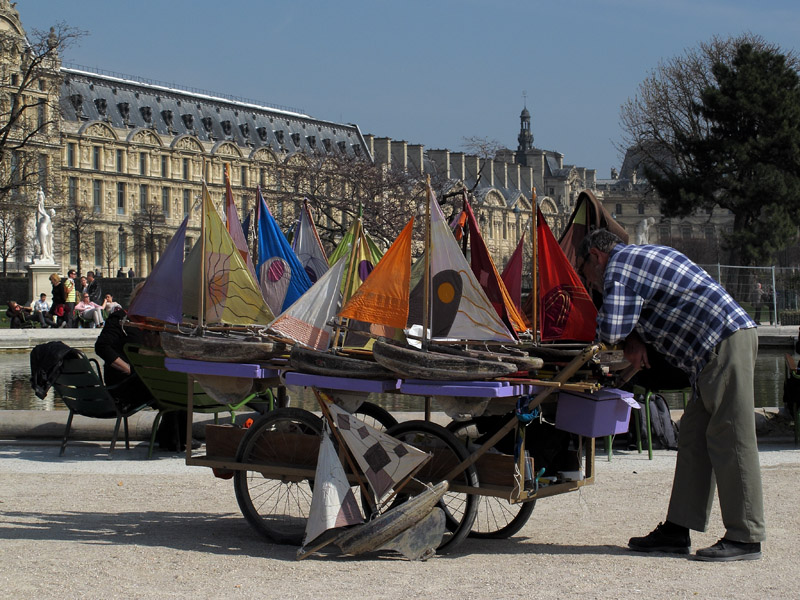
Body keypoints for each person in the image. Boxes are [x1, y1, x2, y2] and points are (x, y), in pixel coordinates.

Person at [578, 228, 764, 562]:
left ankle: (746, 536)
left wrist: (626, 338)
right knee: (693, 439)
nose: (590, 283)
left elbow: (610, 330)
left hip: (722, 342)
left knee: (732, 438)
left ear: (595, 255)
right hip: (714, 349)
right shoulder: (642, 255)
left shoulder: (619, 267)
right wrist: (636, 338)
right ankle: (678, 529)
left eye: (586, 273)